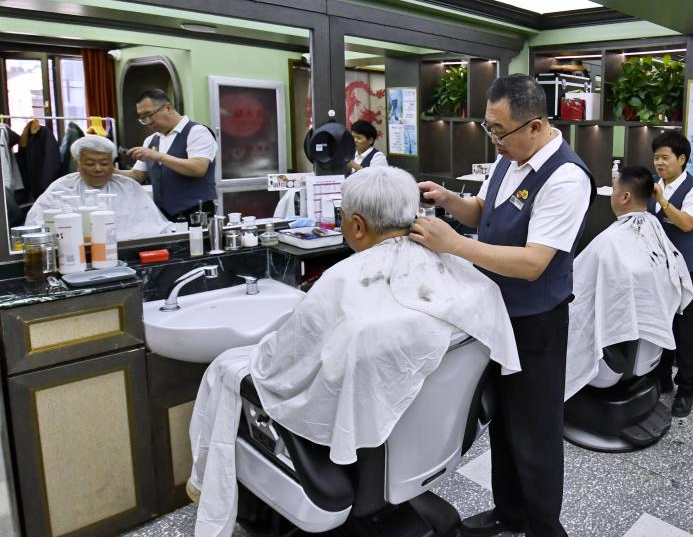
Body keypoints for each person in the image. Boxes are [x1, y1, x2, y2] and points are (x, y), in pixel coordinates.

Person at [187, 166, 520, 537]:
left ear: (357, 226)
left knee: (230, 373)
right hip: (433, 442)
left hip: (364, 455)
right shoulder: (473, 286)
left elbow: (278, 369)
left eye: (342, 218)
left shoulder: (344, 292)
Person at [411, 74, 594, 537]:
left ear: (535, 126)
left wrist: (454, 244)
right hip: (495, 313)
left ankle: (543, 527)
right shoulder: (510, 158)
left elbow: (533, 263)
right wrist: (450, 201)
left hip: (536, 321)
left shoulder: (566, 178)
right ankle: (509, 513)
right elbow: (484, 211)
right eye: (488, 127)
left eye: (500, 130)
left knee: (536, 428)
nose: (494, 139)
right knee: (504, 422)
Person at [565, 166, 693, 400]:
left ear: (625, 197)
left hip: (614, 356)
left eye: (614, 189)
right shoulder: (656, 231)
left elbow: (576, 289)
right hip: (648, 349)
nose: (612, 195)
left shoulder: (610, 242)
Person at [649, 130, 693, 418]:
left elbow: (686, 224)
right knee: (659, 323)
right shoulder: (654, 185)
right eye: (656, 158)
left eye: (665, 158)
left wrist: (662, 201)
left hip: (687, 269)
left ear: (681, 159)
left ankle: (687, 387)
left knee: (686, 329)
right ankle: (661, 378)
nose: (659, 163)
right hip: (658, 267)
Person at [25, 135, 172, 240]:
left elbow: (158, 227)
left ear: (113, 164)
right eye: (90, 164)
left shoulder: (129, 187)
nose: (98, 169)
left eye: (104, 163)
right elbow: (36, 227)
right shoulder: (61, 189)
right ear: (77, 164)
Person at [120, 89, 218, 221]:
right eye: (143, 118)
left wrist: (157, 156)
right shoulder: (151, 140)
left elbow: (198, 168)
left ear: (168, 108)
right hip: (163, 216)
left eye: (149, 115)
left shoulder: (197, 132)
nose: (148, 121)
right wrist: (109, 171)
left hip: (196, 213)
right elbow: (137, 175)